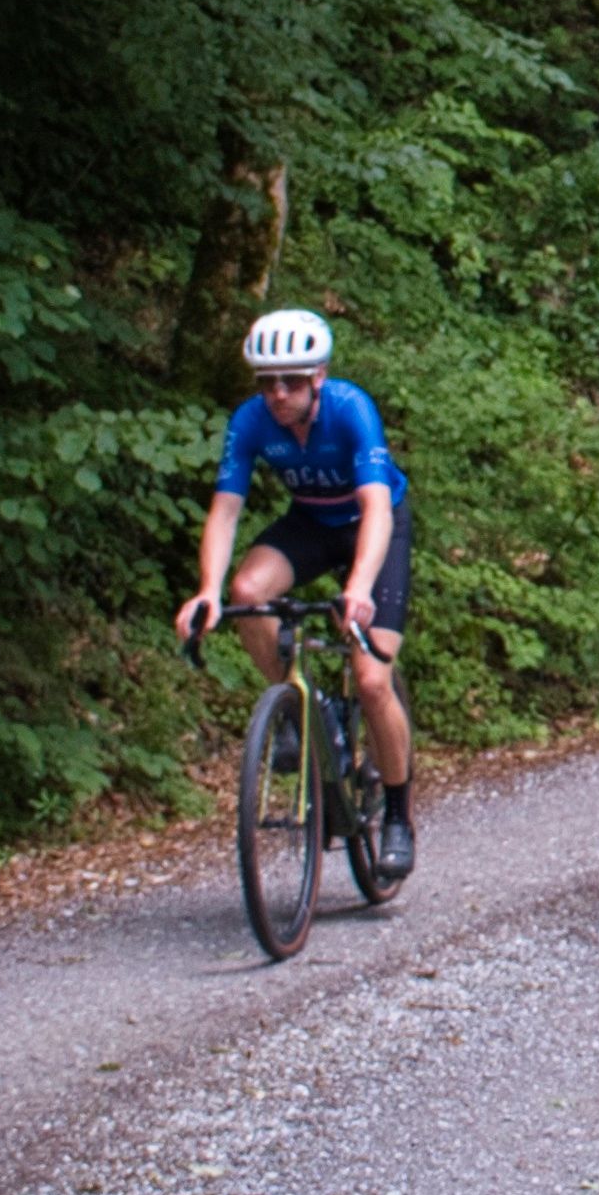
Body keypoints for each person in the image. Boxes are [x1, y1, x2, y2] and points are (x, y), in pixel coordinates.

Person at [174, 307, 415, 872]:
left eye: (290, 381)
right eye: (266, 382)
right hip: (310, 523)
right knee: (247, 590)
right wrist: (208, 590)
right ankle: (310, 711)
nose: (276, 394)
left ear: (318, 378)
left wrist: (358, 588)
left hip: (373, 527)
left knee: (372, 678)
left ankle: (399, 815)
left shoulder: (352, 410)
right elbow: (226, 510)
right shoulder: (252, 420)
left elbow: (377, 507)